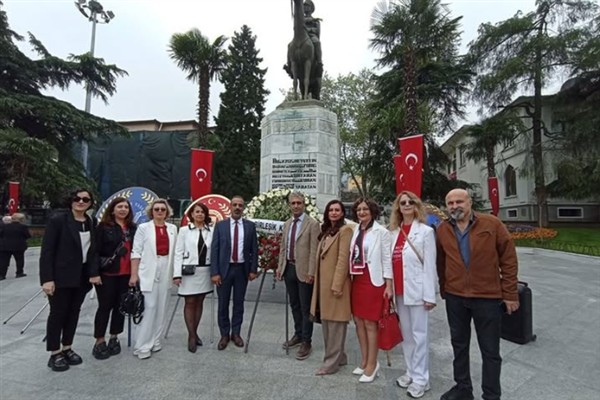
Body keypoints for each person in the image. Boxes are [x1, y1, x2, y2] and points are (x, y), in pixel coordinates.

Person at [437, 189, 519, 400]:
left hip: (487, 297)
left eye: (459, 201)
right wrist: (444, 288)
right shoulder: (443, 229)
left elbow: (508, 259)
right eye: (450, 203)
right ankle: (463, 388)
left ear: (470, 202)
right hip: (455, 297)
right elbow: (441, 262)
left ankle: (491, 395)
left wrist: (510, 293)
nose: (455, 206)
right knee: (459, 345)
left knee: (490, 350)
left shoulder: (491, 224)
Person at [39, 188, 99, 372]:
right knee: (58, 313)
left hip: (81, 277)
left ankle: (67, 347)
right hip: (61, 276)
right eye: (77, 198)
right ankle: (54, 352)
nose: (81, 202)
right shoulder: (58, 220)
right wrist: (47, 279)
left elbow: (93, 251)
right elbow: (47, 251)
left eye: (85, 199)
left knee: (73, 312)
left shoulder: (91, 221)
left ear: (90, 203)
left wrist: (93, 273)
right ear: (71, 200)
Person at [389, 191, 437, 398]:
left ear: (416, 206)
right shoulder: (393, 232)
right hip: (400, 292)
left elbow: (430, 265)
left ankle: (421, 379)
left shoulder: (425, 232)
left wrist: (430, 295)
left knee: (419, 336)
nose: (406, 205)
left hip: (418, 291)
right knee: (407, 336)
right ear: (398, 207)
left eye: (410, 202)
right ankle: (411, 372)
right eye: (402, 202)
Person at [349, 198, 393, 383]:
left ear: (372, 211)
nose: (361, 212)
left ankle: (373, 364)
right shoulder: (356, 230)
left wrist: (389, 285)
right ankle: (365, 360)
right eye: (359, 209)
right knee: (358, 321)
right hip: (357, 279)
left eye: (365, 209)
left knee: (370, 322)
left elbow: (387, 259)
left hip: (373, 281)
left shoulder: (381, 232)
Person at [129, 198, 177, 360]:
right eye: (157, 209)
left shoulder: (172, 228)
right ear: (151, 211)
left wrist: (176, 273)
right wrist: (134, 274)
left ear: (167, 212)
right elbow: (136, 251)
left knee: (162, 307)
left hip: (166, 268)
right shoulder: (143, 228)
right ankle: (142, 345)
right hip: (148, 268)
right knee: (150, 307)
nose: (160, 212)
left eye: (163, 209)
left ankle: (156, 340)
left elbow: (176, 252)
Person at [310, 199, 353, 376]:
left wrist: (337, 285)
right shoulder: (327, 231)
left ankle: (330, 363)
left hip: (336, 286)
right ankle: (340, 357)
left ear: (342, 213)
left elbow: (343, 260)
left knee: (335, 324)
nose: (334, 213)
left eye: (337, 210)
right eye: (331, 210)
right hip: (323, 286)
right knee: (328, 323)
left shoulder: (345, 231)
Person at [91, 197, 137, 360]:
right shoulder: (103, 227)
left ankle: (114, 337)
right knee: (105, 307)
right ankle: (99, 340)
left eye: (126, 207)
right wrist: (94, 273)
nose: (123, 209)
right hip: (107, 274)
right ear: (112, 210)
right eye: (119, 207)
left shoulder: (133, 228)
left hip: (126, 274)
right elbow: (94, 251)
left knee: (120, 307)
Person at [210, 195, 258, 351]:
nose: (237, 207)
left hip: (241, 271)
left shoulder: (250, 226)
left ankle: (236, 333)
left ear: (243, 208)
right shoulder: (220, 226)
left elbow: (254, 249)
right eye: (235, 205)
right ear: (230, 207)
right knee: (223, 304)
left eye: (240, 205)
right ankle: (224, 334)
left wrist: (253, 269)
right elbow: (215, 250)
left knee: (239, 303)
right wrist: (215, 272)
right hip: (224, 270)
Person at [277, 192, 320, 360]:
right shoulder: (287, 224)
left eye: (299, 203)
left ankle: (307, 341)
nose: (296, 206)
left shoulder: (312, 224)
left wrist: (312, 272)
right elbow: (283, 247)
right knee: (294, 304)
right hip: (289, 269)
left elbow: (314, 250)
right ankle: (298, 334)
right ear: (289, 205)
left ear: (304, 204)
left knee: (305, 307)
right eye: (293, 203)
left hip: (304, 271)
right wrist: (280, 267)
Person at [173, 202, 214, 353]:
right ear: (192, 214)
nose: (200, 214)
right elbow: (178, 252)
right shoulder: (184, 230)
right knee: (190, 302)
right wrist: (176, 274)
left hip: (205, 271)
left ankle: (195, 333)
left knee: (200, 301)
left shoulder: (212, 231)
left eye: (202, 212)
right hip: (189, 271)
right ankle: (191, 336)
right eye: (197, 212)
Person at [0, 213, 31, 280]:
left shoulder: (5, 226)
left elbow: (1, 234)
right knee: (19, 260)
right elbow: (27, 235)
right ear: (21, 219)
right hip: (19, 246)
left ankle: (2, 275)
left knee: (4, 261)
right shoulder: (23, 227)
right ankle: (19, 273)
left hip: (5, 246)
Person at [303, 0, 322, 68]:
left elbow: (317, 31)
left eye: (307, 6)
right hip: (301, 36)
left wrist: (309, 30)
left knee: (317, 42)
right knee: (290, 45)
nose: (305, 7)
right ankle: (289, 63)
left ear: (311, 8)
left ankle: (319, 62)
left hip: (311, 36)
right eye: (304, 6)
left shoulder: (316, 21)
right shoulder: (300, 19)